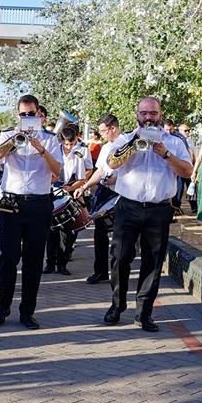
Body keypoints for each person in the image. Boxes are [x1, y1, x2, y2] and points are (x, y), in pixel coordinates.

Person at [104, 97, 193, 332]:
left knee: (152, 262)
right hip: (128, 206)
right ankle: (117, 304)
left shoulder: (173, 142)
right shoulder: (125, 139)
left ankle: (144, 313)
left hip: (159, 208)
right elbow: (112, 163)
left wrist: (165, 154)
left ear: (160, 114)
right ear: (137, 114)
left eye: (153, 113)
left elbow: (187, 170)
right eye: (144, 113)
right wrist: (134, 144)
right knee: (120, 257)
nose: (148, 117)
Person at [0, 95, 62, 329]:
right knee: (8, 258)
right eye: (23, 115)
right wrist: (15, 140)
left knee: (33, 261)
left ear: (39, 114)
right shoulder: (8, 135)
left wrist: (41, 149)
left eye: (31, 114)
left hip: (39, 203)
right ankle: (3, 307)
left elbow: (57, 171)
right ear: (18, 115)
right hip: (12, 203)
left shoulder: (50, 140)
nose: (28, 118)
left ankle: (27, 311)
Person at [74, 114, 121, 284]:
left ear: (113, 128)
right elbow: (100, 171)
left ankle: (118, 273)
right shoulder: (106, 146)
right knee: (99, 232)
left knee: (119, 236)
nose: (101, 135)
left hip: (122, 195)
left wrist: (117, 180)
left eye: (103, 131)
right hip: (105, 193)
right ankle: (100, 271)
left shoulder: (126, 143)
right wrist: (84, 186)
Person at [45, 125, 92, 276]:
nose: (69, 147)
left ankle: (62, 264)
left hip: (67, 193)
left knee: (66, 232)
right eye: (66, 144)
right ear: (61, 141)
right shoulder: (52, 153)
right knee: (51, 231)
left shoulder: (77, 155)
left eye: (71, 144)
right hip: (51, 192)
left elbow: (81, 178)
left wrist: (70, 188)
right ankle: (50, 264)